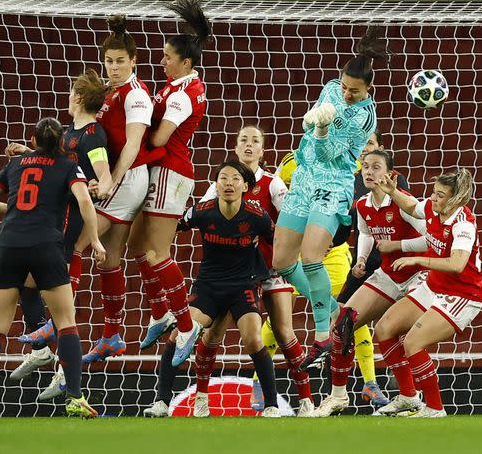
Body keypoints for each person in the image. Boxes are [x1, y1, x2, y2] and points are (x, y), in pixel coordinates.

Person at [0, 117, 106, 421]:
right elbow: (85, 201)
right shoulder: (69, 165)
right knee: (66, 321)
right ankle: (74, 397)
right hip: (46, 245)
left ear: (32, 140)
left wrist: (16, 211)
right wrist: (95, 240)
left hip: (10, 245)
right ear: (61, 142)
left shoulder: (16, 164)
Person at [272, 27, 391, 368]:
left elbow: (327, 154)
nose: (347, 94)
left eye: (355, 91)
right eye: (344, 87)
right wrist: (312, 122)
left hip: (332, 182)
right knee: (281, 261)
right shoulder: (330, 89)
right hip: (305, 178)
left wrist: (321, 129)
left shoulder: (365, 117)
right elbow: (311, 125)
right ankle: (336, 310)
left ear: (368, 90)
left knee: (311, 257)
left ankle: (323, 333)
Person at [142, 160, 281, 418]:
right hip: (208, 286)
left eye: (235, 179)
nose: (229, 183)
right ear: (215, 185)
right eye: (223, 178)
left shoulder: (257, 214)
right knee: (178, 336)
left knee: (253, 339)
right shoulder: (202, 211)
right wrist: (147, 234)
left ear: (247, 186)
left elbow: (280, 241)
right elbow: (173, 226)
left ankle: (272, 404)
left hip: (244, 285)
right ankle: (161, 402)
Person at [3, 70, 112, 394]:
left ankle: (61, 368)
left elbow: (102, 171)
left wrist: (100, 188)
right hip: (55, 217)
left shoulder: (92, 134)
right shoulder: (69, 133)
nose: (67, 97)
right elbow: (55, 165)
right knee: (32, 287)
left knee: (53, 295)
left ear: (78, 98)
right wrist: (27, 153)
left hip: (68, 221)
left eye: (70, 92)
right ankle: (43, 352)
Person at [196, 126, 315, 417]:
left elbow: (292, 220)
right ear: (236, 148)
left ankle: (306, 401)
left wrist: (288, 254)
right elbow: (201, 212)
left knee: (284, 332)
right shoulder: (222, 182)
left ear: (262, 151)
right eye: (243, 140)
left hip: (271, 270)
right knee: (212, 335)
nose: (249, 145)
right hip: (236, 275)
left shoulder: (273, 184)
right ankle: (201, 399)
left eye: (255, 141)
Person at [129, 0, 211, 366]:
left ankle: (185, 323)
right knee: (137, 247)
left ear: (186, 62)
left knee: (157, 252)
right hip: (163, 173)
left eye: (167, 57)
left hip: (171, 174)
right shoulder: (175, 87)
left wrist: (130, 139)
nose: (161, 62)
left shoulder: (184, 95)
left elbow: (161, 138)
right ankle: (160, 312)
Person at [313, 149, 427, 416]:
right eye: (365, 167)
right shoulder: (362, 204)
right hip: (389, 275)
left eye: (376, 167)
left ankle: (414, 396)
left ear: (390, 174)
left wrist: (399, 245)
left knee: (396, 332)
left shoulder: (405, 203)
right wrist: (361, 258)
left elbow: (432, 238)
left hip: (418, 275)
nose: (369, 172)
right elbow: (365, 232)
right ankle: (338, 396)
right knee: (342, 324)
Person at [74, 14, 160, 364]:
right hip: (115, 178)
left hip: (127, 177)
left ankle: (55, 323)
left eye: (120, 61)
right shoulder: (109, 91)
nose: (113, 67)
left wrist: (111, 177)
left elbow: (134, 142)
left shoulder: (137, 95)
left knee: (76, 244)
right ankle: (112, 333)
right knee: (109, 259)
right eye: (108, 61)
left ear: (133, 61)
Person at [373, 168, 482, 418]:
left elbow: (456, 264)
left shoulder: (463, 225)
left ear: (455, 199)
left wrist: (418, 261)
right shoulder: (434, 210)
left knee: (413, 342)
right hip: (434, 287)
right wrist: (393, 192)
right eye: (433, 192)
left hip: (462, 296)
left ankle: (435, 409)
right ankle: (408, 397)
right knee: (384, 329)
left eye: (440, 195)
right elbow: (413, 207)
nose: (432, 198)